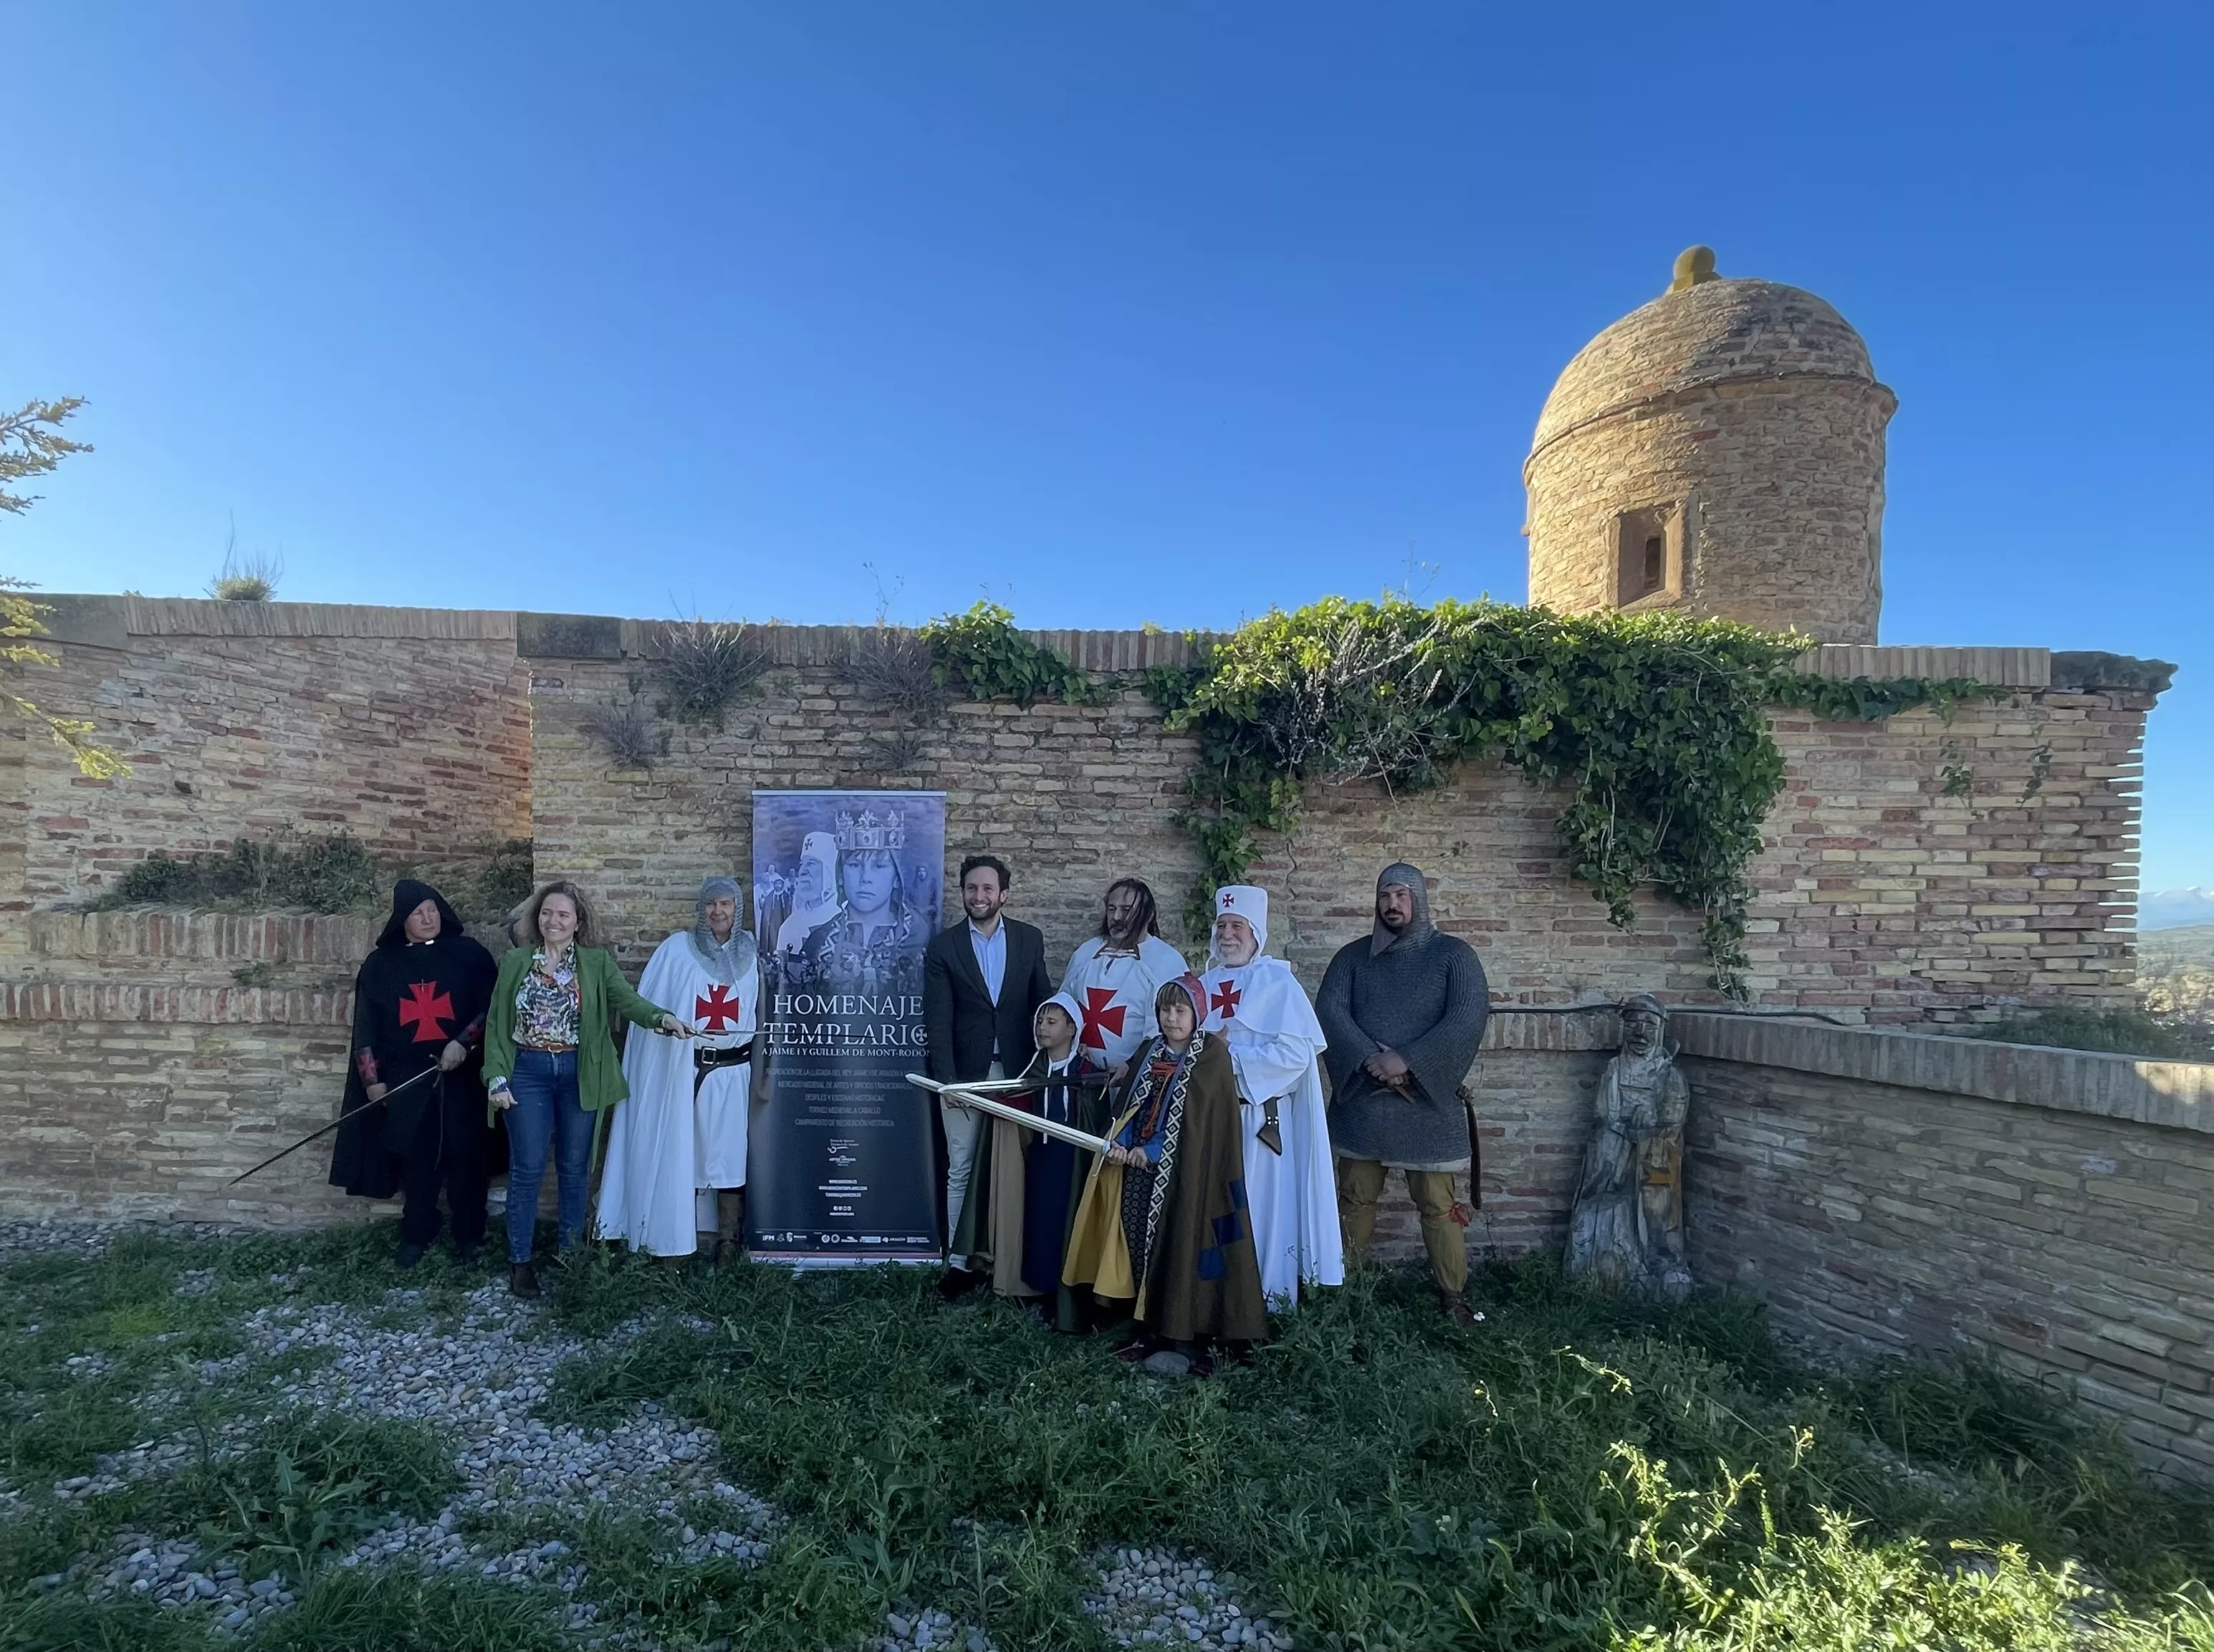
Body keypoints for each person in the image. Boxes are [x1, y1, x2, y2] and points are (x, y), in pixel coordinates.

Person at [484, 880, 694, 1299]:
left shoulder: (596, 964)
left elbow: (629, 1001)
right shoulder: (516, 962)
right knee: (526, 1170)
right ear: (537, 918)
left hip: (579, 1072)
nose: (553, 920)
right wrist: (496, 1076)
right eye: (547, 913)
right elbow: (496, 1024)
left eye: (563, 914)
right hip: (527, 1071)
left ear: (578, 923)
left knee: (575, 1170)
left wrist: (663, 1019)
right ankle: (520, 1262)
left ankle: (570, 1256)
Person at [1062, 974, 1266, 1373]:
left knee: (1183, 1246)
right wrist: (1122, 1144)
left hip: (1190, 1180)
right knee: (1140, 1247)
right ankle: (1150, 1327)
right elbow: (1131, 1108)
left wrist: (1153, 1151)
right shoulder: (1147, 1051)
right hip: (1138, 1176)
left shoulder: (1210, 1057)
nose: (1171, 1018)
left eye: (1180, 1010)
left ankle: (1186, 1333)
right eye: (1165, 1010)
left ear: (1197, 1014)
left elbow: (1200, 1124)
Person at [1316, 863, 1491, 1327]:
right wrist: (1368, 1059)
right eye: (1385, 896)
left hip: (1426, 1107)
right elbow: (1330, 1012)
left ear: (1419, 899)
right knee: (1353, 1199)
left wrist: (1408, 1061)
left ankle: (1453, 1296)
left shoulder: (1454, 956)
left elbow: (1467, 1018)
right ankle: (1340, 1291)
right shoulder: (1352, 959)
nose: (1392, 904)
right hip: (1365, 1101)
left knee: (1439, 1205)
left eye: (1401, 895)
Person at [329, 879, 498, 1269]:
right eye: (418, 912)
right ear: (402, 920)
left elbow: (492, 1008)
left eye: (433, 910)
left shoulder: (470, 955)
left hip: (462, 1077)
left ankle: (470, 1235)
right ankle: (417, 1233)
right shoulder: (380, 966)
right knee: (417, 1162)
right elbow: (366, 1027)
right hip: (409, 1079)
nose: (428, 918)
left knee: (466, 1156)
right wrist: (372, 1080)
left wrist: (465, 1042)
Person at [595, 875, 759, 1264]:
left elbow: (760, 1013)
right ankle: (669, 1239)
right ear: (701, 910)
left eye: (726, 905)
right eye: (710, 905)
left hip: (734, 1072)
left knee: (729, 1157)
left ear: (737, 909)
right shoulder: (676, 951)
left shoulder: (752, 952)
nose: (718, 912)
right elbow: (651, 1009)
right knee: (677, 1152)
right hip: (683, 1071)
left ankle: (728, 1241)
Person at [1199, 885, 1343, 1310]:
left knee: (1261, 1215)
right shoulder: (1202, 985)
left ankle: (1267, 1308)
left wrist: (1230, 1059)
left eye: (1237, 926)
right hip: (1210, 1121)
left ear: (1256, 933)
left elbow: (1296, 1054)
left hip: (1260, 1123)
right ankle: (1216, 1308)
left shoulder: (1278, 983)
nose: (1228, 934)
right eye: (1222, 925)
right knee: (1214, 1211)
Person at [922, 853, 1052, 1296]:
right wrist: (949, 1082)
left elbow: (1042, 1004)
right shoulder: (944, 947)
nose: (979, 896)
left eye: (987, 889)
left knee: (1015, 1167)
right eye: (971, 888)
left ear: (1004, 894)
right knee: (961, 1167)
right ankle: (959, 1265)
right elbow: (936, 1020)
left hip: (1018, 1074)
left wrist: (1044, 1069)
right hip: (965, 1076)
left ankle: (1009, 1260)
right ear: (963, 893)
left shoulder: (1029, 940)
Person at [945, 992, 1108, 1324]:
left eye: (1051, 1022)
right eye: (1039, 1021)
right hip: (1042, 1161)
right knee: (1039, 1229)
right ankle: (1041, 1295)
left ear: (1072, 1029)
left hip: (1074, 1166)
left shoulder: (1088, 1074)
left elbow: (1097, 1119)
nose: (1042, 1028)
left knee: (1070, 1229)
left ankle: (1073, 1301)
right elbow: (1017, 1101)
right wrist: (986, 1101)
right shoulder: (1033, 1071)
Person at [1565, 994, 1692, 1298]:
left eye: (1649, 1025)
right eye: (1633, 1023)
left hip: (1653, 1158)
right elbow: (1603, 1114)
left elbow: (1674, 1120)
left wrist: (1652, 1122)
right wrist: (1621, 1130)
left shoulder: (1669, 1075)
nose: (1640, 1032)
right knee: (1599, 1201)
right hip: (1613, 1154)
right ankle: (1591, 1265)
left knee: (1657, 1204)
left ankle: (1659, 1263)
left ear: (1660, 1029)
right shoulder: (1614, 1069)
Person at [1059, 878, 1188, 1077]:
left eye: (1127, 910)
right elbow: (1064, 1007)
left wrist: (1134, 1065)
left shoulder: (1166, 961)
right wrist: (1070, 1042)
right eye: (1112, 909)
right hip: (1082, 1077)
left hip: (1138, 1079)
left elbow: (1170, 1027)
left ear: (1148, 914)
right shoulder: (1086, 953)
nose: (1117, 917)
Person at [818, 809, 926, 992]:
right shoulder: (819, 941)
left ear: (896, 878)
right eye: (854, 865)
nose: (865, 878)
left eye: (879, 866)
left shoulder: (920, 937)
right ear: (841, 875)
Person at [772, 831, 844, 977]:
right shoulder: (789, 926)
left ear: (829, 871)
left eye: (811, 864)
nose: (803, 871)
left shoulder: (845, 920)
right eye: (802, 864)